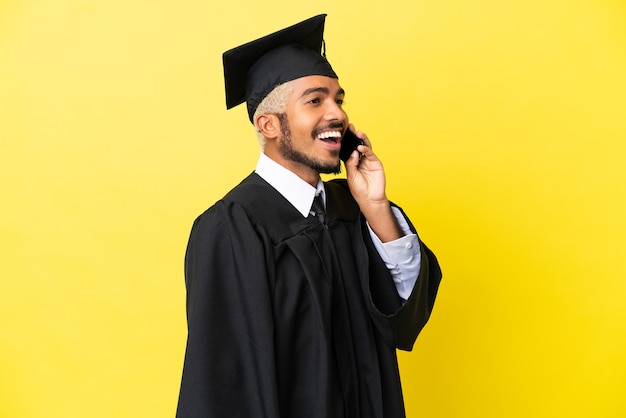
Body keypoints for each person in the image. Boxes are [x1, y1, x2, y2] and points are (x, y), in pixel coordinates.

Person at [176, 14, 442, 418]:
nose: (336, 114)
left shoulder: (353, 210)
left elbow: (403, 322)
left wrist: (375, 207)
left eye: (339, 100)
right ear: (268, 124)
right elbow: (224, 382)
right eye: (315, 101)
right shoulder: (232, 227)